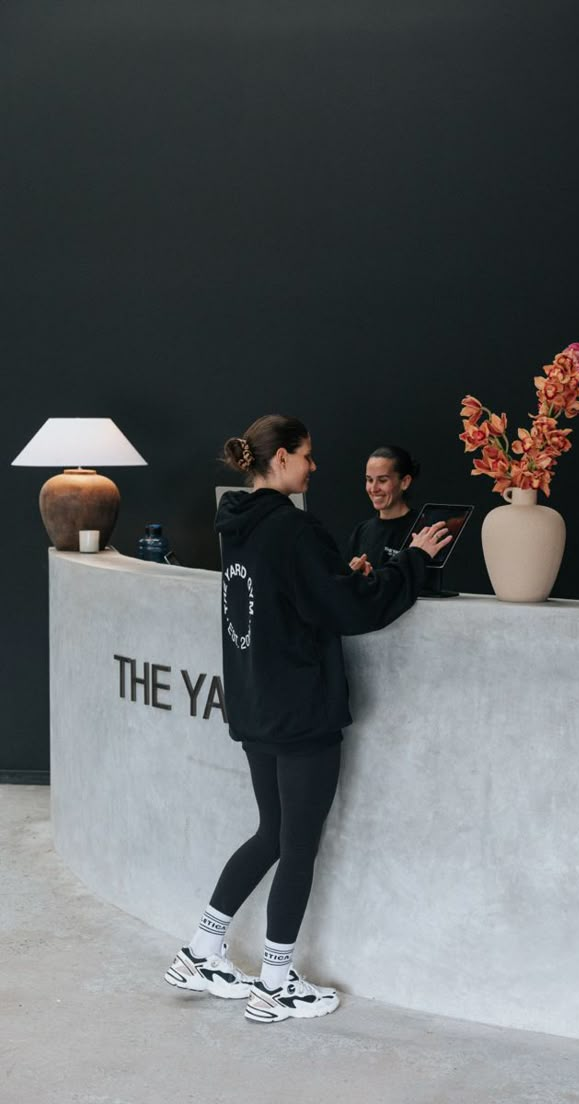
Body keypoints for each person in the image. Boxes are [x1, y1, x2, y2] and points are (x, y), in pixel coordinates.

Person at [164, 414, 449, 1024]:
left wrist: (346, 575)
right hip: (299, 711)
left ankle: (202, 949)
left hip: (255, 705)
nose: (315, 467)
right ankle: (275, 981)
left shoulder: (238, 526)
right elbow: (345, 611)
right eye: (308, 455)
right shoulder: (294, 529)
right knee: (297, 844)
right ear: (283, 458)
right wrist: (414, 562)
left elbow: (286, 598)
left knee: (272, 832)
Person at [347, 445, 420, 575]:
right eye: (369, 480)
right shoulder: (362, 531)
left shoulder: (421, 531)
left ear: (405, 482)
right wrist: (352, 573)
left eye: (382, 480)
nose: (374, 488)